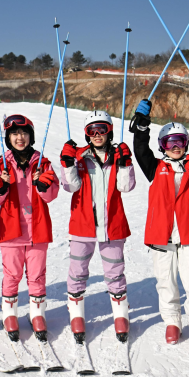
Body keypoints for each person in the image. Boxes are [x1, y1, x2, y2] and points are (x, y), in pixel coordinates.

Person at [131, 96, 189, 353]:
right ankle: (172, 321)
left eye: (180, 141)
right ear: (162, 145)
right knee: (166, 282)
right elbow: (140, 149)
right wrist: (141, 124)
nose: (176, 146)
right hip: (162, 235)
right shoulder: (155, 167)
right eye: (170, 142)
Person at [59, 111, 136, 344]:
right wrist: (68, 163)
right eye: (91, 131)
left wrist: (124, 163)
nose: (97, 135)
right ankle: (76, 315)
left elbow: (126, 186)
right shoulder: (80, 157)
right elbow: (70, 186)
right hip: (82, 225)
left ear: (109, 130)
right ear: (86, 134)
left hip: (112, 225)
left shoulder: (117, 156)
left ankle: (121, 316)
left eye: (101, 129)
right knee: (78, 271)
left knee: (114, 272)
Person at [0, 115, 59, 342]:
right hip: (12, 230)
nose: (20, 138)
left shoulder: (43, 163)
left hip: (38, 229)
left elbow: (51, 195)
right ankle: (10, 314)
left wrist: (42, 184)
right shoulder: (1, 165)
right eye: (14, 134)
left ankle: (37, 314)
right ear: (8, 137)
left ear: (31, 136)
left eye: (24, 133)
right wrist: (2, 186)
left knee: (37, 275)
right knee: (13, 274)